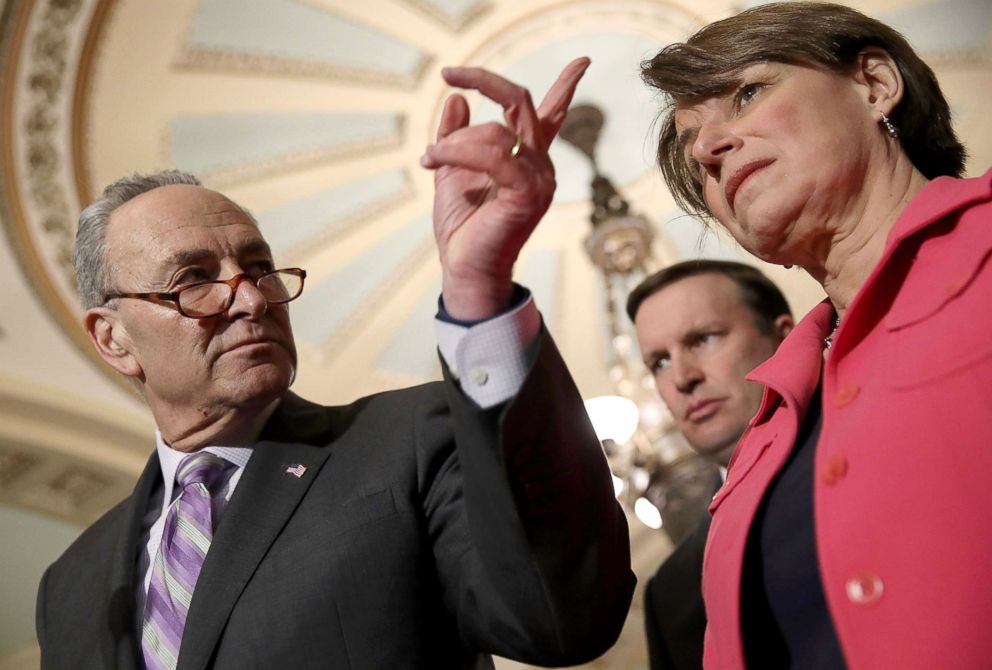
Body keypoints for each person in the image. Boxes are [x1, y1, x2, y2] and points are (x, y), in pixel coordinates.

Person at [35, 59, 635, 669]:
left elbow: (560, 618)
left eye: (260, 267)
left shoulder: (409, 439)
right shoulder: (71, 584)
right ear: (112, 339)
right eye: (193, 281)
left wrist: (478, 287)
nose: (249, 299)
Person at [637, 1, 992, 667]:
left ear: (874, 84)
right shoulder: (762, 438)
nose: (711, 150)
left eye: (747, 93)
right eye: (695, 155)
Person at [626, 260, 792, 670]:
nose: (681, 377)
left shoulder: (886, 443)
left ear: (783, 338)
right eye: (659, 362)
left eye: (703, 339)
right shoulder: (671, 593)